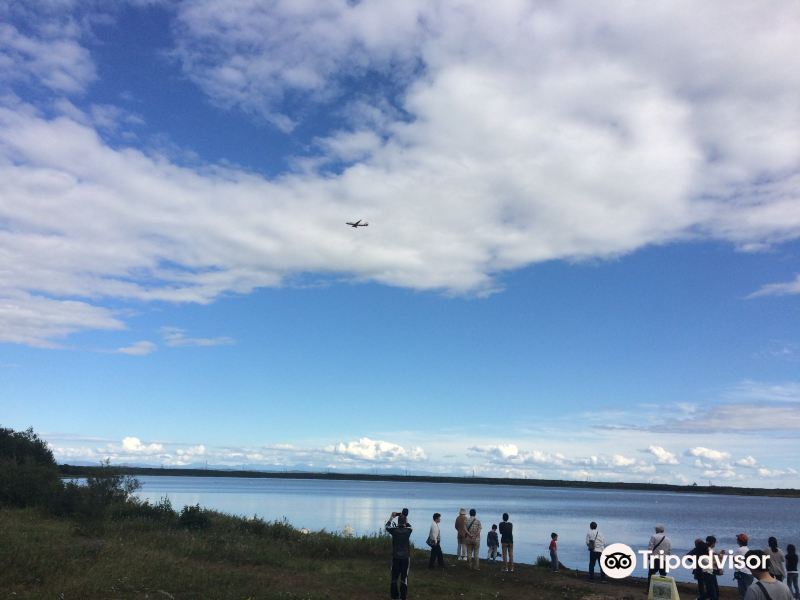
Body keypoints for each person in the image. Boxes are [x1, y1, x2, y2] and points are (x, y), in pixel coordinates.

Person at [385, 511, 413, 600]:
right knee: (404, 578)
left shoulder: (394, 531)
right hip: (405, 557)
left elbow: (387, 526)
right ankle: (403, 597)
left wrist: (391, 517)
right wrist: (405, 517)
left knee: (394, 578)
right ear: (405, 522)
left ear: (398, 522)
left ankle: (395, 597)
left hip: (396, 557)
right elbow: (409, 525)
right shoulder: (409, 530)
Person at [734, 533, 755, 600]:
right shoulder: (748, 549)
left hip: (743, 573)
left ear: (739, 541)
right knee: (748, 592)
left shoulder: (739, 550)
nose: (736, 540)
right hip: (750, 573)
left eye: (737, 539)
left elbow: (735, 561)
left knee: (743, 594)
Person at [703, 535, 721, 600]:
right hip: (707, 573)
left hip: (711, 572)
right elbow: (705, 562)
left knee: (713, 592)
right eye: (714, 543)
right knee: (713, 593)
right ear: (712, 543)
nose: (715, 544)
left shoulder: (710, 549)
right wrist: (716, 562)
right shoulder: (706, 550)